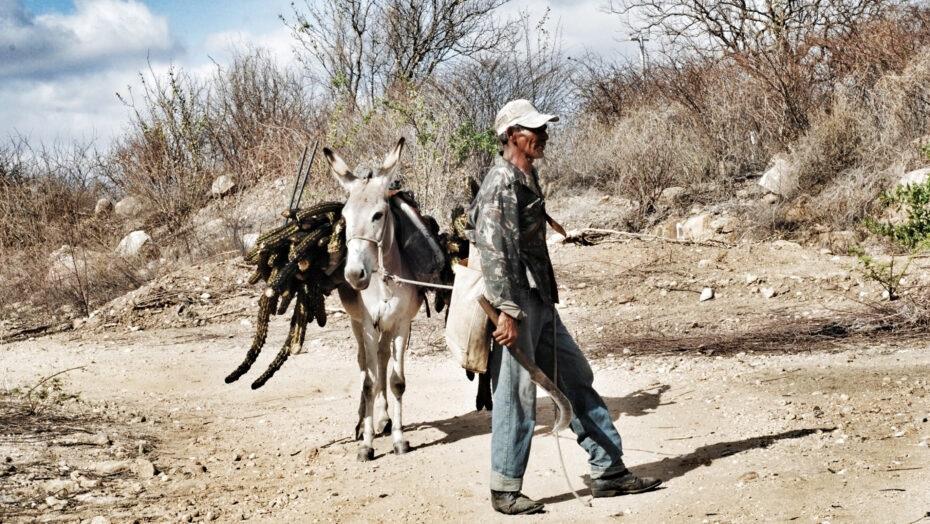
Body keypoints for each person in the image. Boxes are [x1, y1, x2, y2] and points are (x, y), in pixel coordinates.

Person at [467, 99, 662, 515]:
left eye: (543, 128)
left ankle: (609, 472)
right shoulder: (501, 182)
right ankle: (505, 488)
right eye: (535, 130)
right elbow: (495, 251)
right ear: (512, 135)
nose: (544, 135)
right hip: (516, 303)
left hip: (539, 299)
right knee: (516, 395)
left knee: (576, 376)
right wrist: (506, 311)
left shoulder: (527, 175)